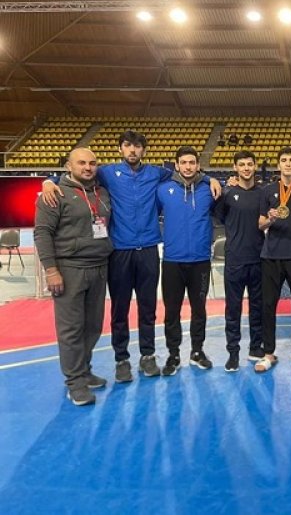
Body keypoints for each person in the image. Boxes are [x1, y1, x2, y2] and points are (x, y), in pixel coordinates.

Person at [40, 130, 221, 382]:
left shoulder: (158, 173)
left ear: (144, 151)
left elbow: (188, 174)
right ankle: (121, 359)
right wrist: (50, 180)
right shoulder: (105, 172)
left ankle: (148, 356)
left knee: (148, 309)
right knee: (120, 309)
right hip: (120, 252)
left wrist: (211, 177)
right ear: (120, 149)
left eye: (137, 146)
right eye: (128, 146)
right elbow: (79, 172)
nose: (133, 150)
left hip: (148, 250)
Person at [34, 148, 113, 406]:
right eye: (82, 163)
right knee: (71, 330)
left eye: (92, 163)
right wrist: (51, 269)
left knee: (93, 326)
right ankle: (75, 383)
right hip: (69, 269)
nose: (88, 167)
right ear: (69, 165)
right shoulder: (55, 193)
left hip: (99, 267)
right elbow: (42, 233)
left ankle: (85, 370)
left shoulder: (101, 192)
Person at [158, 146, 217, 376]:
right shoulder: (162, 190)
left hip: (200, 261)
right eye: (184, 162)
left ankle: (197, 351)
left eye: (192, 162)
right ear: (177, 165)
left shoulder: (209, 189)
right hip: (172, 261)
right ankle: (173, 354)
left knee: (199, 310)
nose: (188, 166)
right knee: (171, 311)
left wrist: (214, 180)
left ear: (198, 164)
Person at [256, 147, 291, 372]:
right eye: (284, 160)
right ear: (278, 165)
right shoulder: (268, 190)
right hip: (271, 256)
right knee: (268, 305)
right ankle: (268, 353)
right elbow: (260, 224)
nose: (288, 164)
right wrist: (269, 219)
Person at [213, 150, 265, 372]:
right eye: (242, 164)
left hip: (259, 259)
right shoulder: (226, 194)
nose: (246, 168)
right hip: (234, 259)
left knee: (257, 307)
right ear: (235, 167)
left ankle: (256, 347)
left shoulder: (263, 194)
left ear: (254, 166)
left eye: (249, 164)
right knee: (232, 309)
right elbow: (219, 217)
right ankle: (233, 353)